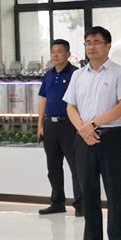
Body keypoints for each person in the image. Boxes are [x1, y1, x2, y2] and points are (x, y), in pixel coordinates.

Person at [63, 26, 121, 240]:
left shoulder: (119, 73)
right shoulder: (78, 75)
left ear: (108, 46)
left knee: (115, 195)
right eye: (88, 43)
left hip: (110, 138)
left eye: (96, 42)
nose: (91, 47)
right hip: (83, 139)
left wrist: (93, 124)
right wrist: (84, 129)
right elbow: (70, 106)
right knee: (88, 194)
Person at [37, 39, 83, 217]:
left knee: (76, 167)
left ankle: (81, 205)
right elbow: (44, 99)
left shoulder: (76, 74)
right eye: (53, 51)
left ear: (68, 54)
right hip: (50, 125)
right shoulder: (48, 75)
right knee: (53, 167)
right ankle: (57, 203)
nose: (55, 55)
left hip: (69, 125)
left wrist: (80, 124)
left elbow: (81, 100)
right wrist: (40, 125)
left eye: (59, 51)